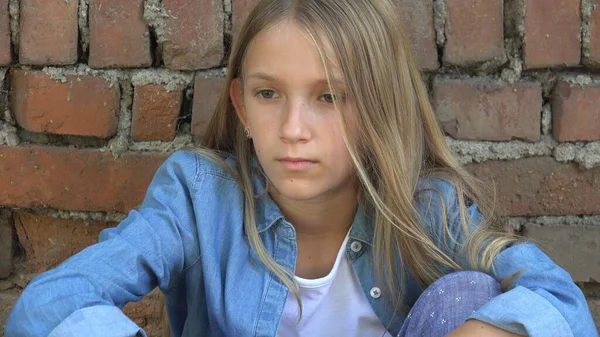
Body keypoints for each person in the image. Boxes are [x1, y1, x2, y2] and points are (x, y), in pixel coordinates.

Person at [5, 0, 597, 336]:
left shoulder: (428, 211)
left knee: (474, 296)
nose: (293, 128)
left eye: (329, 97)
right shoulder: (198, 197)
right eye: (269, 95)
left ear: (378, 106)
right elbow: (50, 304)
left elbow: (562, 304)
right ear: (240, 105)